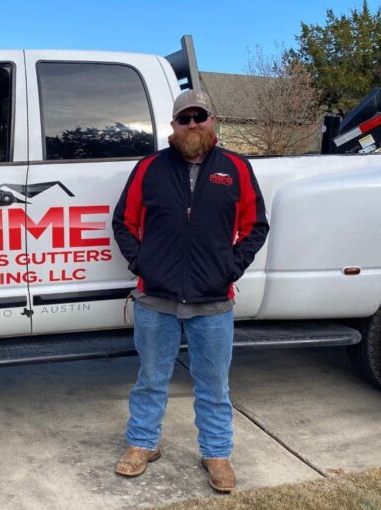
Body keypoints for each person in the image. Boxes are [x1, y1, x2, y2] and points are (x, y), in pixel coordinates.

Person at [111, 89, 268, 493]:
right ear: (173, 126)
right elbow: (123, 223)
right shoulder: (149, 168)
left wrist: (230, 268)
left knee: (214, 384)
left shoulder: (235, 168)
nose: (193, 124)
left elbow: (255, 226)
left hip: (213, 301)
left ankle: (216, 453)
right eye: (185, 118)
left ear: (211, 121)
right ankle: (142, 443)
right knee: (151, 377)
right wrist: (143, 264)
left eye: (200, 116)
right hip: (155, 299)